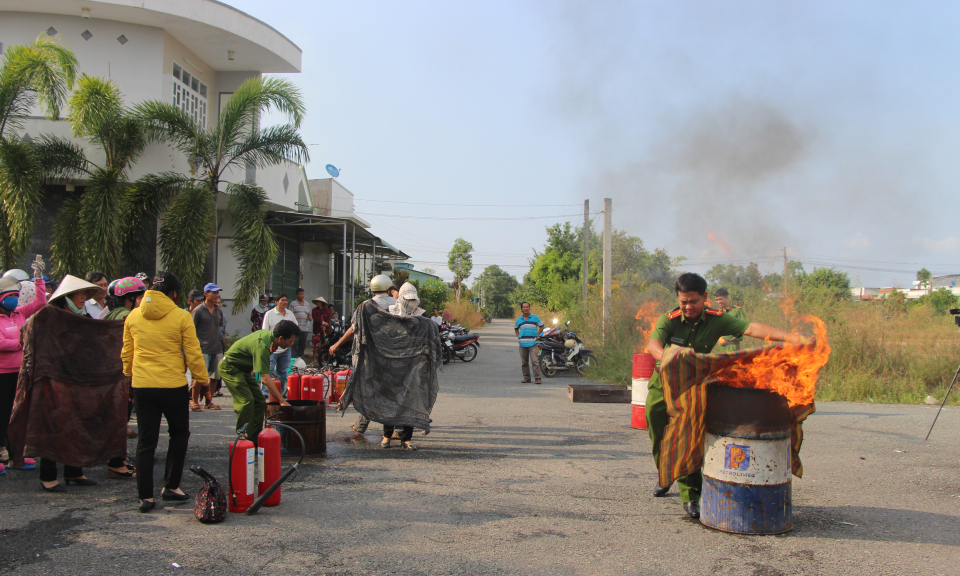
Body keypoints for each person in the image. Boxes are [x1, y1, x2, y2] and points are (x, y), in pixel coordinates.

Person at [645, 273, 802, 519]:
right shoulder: (669, 319)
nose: (688, 307)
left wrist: (793, 338)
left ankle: (690, 496)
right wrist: (670, 355)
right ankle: (665, 474)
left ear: (705, 297)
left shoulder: (717, 320)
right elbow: (653, 345)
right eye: (683, 302)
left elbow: (752, 328)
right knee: (657, 432)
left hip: (693, 386)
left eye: (693, 301)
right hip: (663, 382)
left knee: (688, 434)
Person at [121, 272, 209, 513]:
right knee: (178, 434)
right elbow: (193, 352)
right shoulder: (181, 316)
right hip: (172, 386)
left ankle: (145, 497)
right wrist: (203, 382)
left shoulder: (133, 316)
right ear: (174, 294)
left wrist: (129, 379)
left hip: (142, 386)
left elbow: (127, 353)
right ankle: (171, 486)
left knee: (146, 441)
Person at [37, 274, 102, 490]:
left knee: (78, 425)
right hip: (55, 379)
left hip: (80, 379)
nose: (84, 297)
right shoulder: (50, 316)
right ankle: (48, 477)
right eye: (79, 294)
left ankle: (74, 472)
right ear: (66, 297)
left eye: (85, 293)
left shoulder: (85, 317)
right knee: (53, 426)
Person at [329, 275, 396, 437]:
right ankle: (395, 430)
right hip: (394, 355)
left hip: (371, 356)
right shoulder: (397, 304)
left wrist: (337, 344)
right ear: (388, 289)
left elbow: (354, 329)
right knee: (394, 390)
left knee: (370, 389)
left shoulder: (365, 306)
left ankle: (361, 426)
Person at [0, 257, 46, 473]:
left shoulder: (19, 313)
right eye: (9, 297)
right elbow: (1, 343)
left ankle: (15, 456)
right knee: (1, 415)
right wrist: (23, 342)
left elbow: (40, 303)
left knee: (16, 415)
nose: (14, 300)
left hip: (19, 373)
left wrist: (38, 279)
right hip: (2, 374)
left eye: (16, 296)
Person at [219, 320, 296, 443]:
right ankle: (243, 439)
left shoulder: (270, 340)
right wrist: (282, 401)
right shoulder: (263, 345)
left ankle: (254, 440)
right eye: (290, 341)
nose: (291, 344)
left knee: (259, 401)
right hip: (230, 368)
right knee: (246, 401)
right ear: (281, 338)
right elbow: (265, 379)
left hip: (244, 370)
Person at [103, 276, 149, 470]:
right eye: (139, 296)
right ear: (130, 298)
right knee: (121, 418)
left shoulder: (109, 314)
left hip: (107, 373)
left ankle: (115, 460)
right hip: (122, 374)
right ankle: (117, 463)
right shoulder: (127, 316)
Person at [190, 283, 224, 412]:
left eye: (217, 293)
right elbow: (191, 330)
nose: (216, 295)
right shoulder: (198, 310)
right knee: (199, 377)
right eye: (214, 292)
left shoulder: (218, 311)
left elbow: (219, 328)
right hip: (202, 348)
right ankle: (194, 402)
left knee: (215, 377)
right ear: (206, 294)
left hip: (216, 347)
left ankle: (208, 402)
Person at [262, 293, 297, 393]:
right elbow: (265, 331)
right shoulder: (269, 314)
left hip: (285, 349)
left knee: (282, 371)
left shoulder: (290, 314)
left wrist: (291, 341)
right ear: (276, 302)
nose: (285, 302)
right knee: (268, 371)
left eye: (286, 300)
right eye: (282, 300)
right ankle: (265, 392)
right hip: (272, 348)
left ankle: (280, 392)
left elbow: (295, 328)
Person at [515, 302, 543, 385]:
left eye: (527, 307)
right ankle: (526, 378)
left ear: (529, 308)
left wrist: (538, 335)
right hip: (522, 344)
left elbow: (542, 326)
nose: (526, 308)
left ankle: (538, 378)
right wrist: (518, 337)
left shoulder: (535, 318)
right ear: (521, 309)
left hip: (533, 343)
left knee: (535, 361)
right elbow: (516, 329)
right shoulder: (519, 320)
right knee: (524, 362)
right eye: (524, 307)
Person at [289, 288, 311, 359]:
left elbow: (309, 314)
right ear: (297, 295)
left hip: (305, 328)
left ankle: (300, 359)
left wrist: (309, 317)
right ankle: (294, 359)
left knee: (303, 345)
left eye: (302, 294)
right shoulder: (293, 304)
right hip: (296, 328)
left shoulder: (307, 304)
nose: (301, 295)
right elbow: (290, 315)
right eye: (299, 294)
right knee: (295, 344)